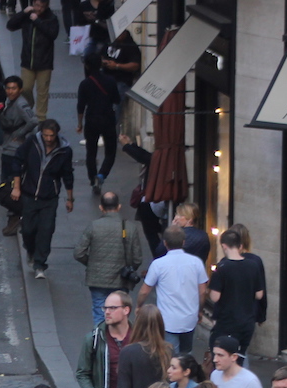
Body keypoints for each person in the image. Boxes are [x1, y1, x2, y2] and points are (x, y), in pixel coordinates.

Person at [12, 119, 74, 278]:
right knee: (28, 229)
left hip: (49, 198)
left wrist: (69, 198)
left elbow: (67, 174)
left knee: (46, 230)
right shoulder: (32, 142)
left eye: (51, 136)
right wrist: (17, 187)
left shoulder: (64, 151)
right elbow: (17, 160)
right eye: (45, 135)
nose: (48, 139)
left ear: (56, 134)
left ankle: (40, 264)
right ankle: (30, 249)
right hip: (29, 194)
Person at [74, 194, 146, 323]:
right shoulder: (130, 227)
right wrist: (128, 269)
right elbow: (137, 258)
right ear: (119, 207)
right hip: (121, 280)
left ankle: (101, 341)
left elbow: (78, 253)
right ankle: (117, 341)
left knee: (99, 314)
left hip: (97, 279)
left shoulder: (94, 226)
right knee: (119, 315)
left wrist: (91, 263)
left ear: (101, 207)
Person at [138, 227, 208, 354]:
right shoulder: (196, 262)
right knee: (186, 353)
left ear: (165, 243)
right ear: (183, 242)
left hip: (168, 319)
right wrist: (200, 311)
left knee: (170, 356)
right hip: (189, 317)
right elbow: (203, 291)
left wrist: (139, 306)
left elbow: (144, 291)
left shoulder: (158, 264)